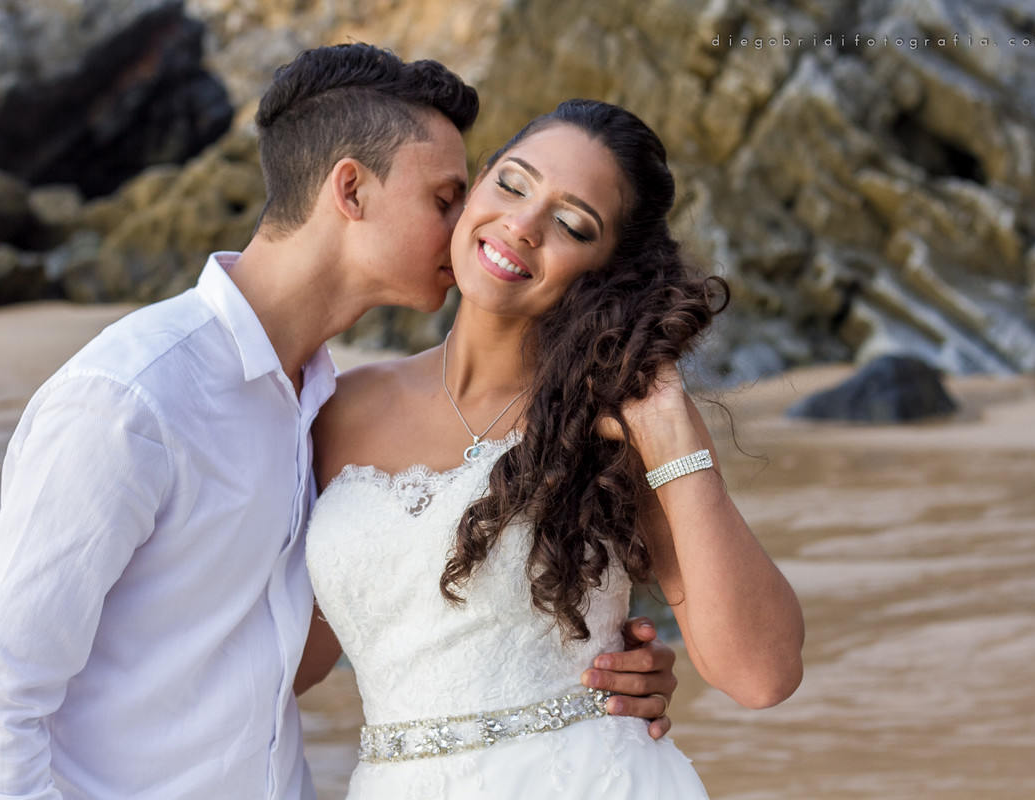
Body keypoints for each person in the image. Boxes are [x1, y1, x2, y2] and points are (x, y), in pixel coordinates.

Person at [0, 45, 680, 799]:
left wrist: (581, 682)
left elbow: (333, 635)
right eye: (447, 197)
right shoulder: (133, 400)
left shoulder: (322, 406)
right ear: (350, 189)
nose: (477, 227)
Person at [304, 99, 806, 797]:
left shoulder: (620, 417)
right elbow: (289, 662)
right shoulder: (339, 409)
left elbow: (761, 674)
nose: (522, 224)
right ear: (477, 184)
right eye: (512, 183)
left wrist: (673, 438)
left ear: (606, 270)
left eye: (572, 224)